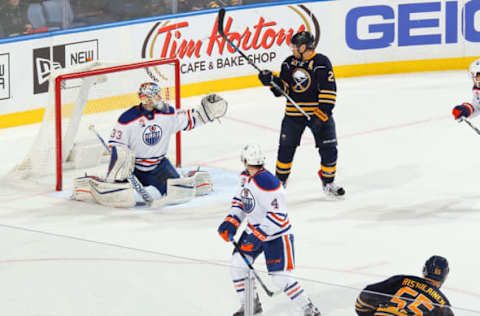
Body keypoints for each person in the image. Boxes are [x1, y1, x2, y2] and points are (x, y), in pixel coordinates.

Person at [72, 82, 228, 207]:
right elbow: (116, 148)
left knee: (180, 193)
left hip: (159, 166)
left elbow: (190, 119)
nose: (157, 98)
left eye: (157, 95)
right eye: (152, 96)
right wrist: (116, 174)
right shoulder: (127, 119)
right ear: (143, 98)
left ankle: (188, 177)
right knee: (120, 193)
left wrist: (206, 113)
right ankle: (92, 185)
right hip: (134, 169)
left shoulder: (167, 113)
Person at [217, 144, 321, 316]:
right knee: (238, 265)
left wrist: (258, 236)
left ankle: (309, 308)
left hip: (277, 236)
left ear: (244, 161)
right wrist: (232, 221)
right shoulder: (245, 178)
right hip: (254, 230)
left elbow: (278, 216)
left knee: (279, 277)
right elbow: (241, 201)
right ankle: (250, 305)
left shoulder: (269, 184)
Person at [258, 31, 345, 198]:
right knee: (285, 149)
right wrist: (271, 81)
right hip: (293, 114)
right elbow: (282, 90)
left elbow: (329, 91)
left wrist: (320, 117)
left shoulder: (321, 62)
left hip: (319, 113)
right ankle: (280, 183)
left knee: (329, 148)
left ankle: (328, 182)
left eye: (294, 46)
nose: (292, 49)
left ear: (303, 47)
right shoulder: (288, 63)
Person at [355, 256, 454, 316]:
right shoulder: (442, 303)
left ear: (425, 270)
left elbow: (363, 299)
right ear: (445, 277)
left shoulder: (401, 280)